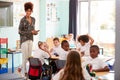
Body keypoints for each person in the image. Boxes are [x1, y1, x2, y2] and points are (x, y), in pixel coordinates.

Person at [18, 2, 39, 77]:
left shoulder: (33, 19)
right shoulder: (22, 20)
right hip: (24, 40)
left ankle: (20, 68)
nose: (28, 12)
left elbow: (33, 30)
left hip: (31, 39)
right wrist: (30, 32)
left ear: (31, 11)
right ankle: (25, 73)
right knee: (24, 57)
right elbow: (20, 31)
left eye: (29, 11)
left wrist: (35, 32)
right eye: (27, 11)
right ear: (25, 11)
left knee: (29, 57)